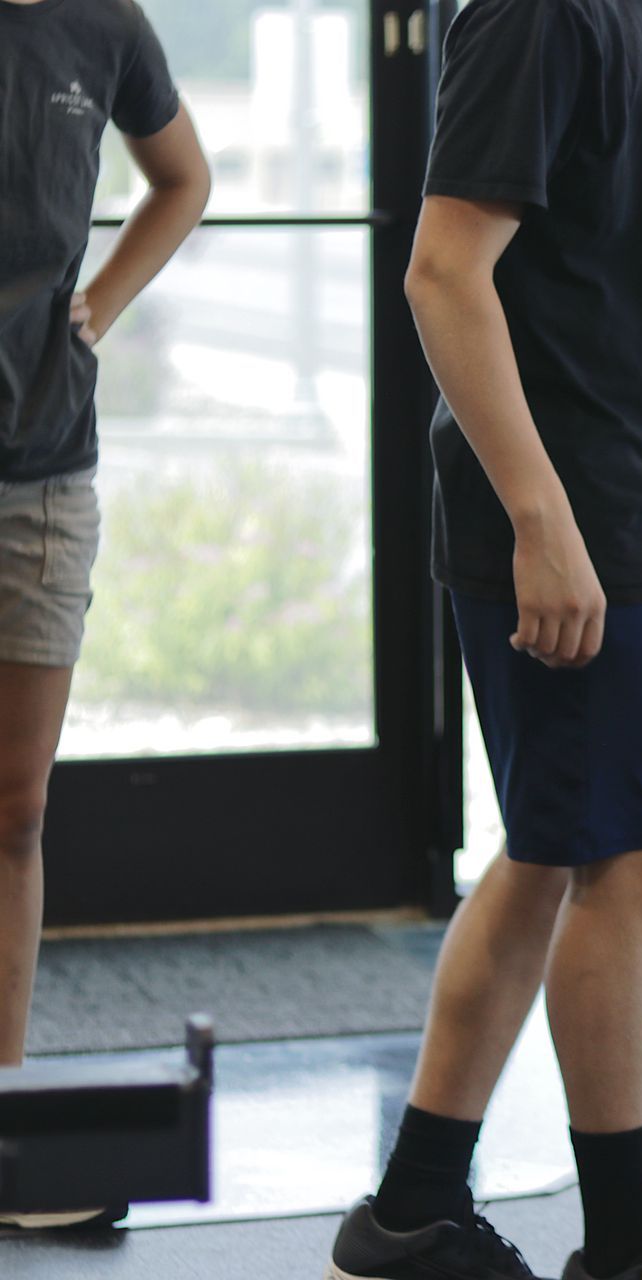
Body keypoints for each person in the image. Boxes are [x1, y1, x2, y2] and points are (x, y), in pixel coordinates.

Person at [322, 1, 642, 1278]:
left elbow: (635, 274)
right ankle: (622, 1247)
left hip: (631, 495)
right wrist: (545, 520)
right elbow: (445, 270)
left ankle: (413, 1209)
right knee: (639, 861)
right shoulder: (537, 10)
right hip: (570, 505)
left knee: (561, 848)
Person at [0, 0, 209, 1232]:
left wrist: (99, 307)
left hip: (42, 467)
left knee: (14, 809)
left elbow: (180, 178)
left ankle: (8, 1129)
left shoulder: (104, 24)